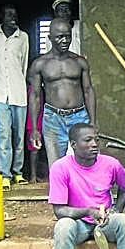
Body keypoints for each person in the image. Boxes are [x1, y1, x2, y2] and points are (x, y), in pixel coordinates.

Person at [27, 18, 96, 168]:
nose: (64, 40)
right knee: (57, 166)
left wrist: (93, 121)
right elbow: (36, 96)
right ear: (50, 38)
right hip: (53, 118)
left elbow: (88, 91)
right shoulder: (40, 64)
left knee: (84, 164)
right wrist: (34, 128)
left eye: (68, 36)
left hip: (79, 116)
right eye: (59, 37)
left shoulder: (79, 62)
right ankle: (61, 192)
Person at [0, 4, 29, 191]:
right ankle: (5, 174)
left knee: (19, 134)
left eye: (15, 15)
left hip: (19, 93)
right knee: (4, 133)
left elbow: (24, 65)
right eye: (8, 15)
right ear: (1, 17)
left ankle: (18, 172)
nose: (13, 18)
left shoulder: (23, 37)